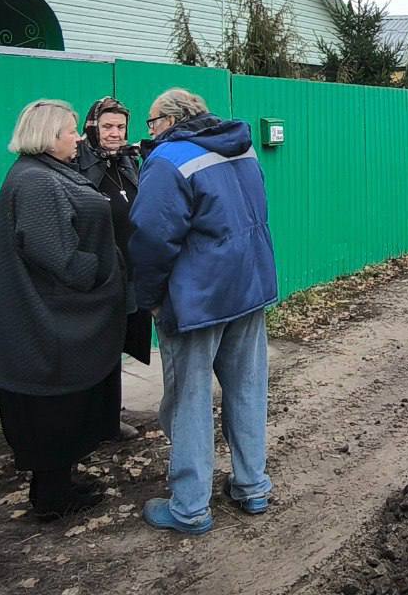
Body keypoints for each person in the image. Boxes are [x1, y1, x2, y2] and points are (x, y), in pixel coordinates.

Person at [129, 88, 278, 535]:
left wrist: (151, 297)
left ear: (171, 119)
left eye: (152, 121)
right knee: (248, 389)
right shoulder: (243, 148)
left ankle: (190, 507)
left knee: (189, 400)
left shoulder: (169, 160)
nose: (149, 131)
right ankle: (252, 486)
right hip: (248, 287)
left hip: (198, 299)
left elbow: (152, 237)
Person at [0, 100, 126, 522]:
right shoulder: (36, 182)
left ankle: (61, 482)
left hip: (51, 311)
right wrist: (97, 271)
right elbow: (55, 254)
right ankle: (52, 495)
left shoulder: (46, 172)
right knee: (53, 408)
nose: (79, 136)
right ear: (48, 136)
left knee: (65, 406)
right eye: (71, 130)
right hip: (47, 318)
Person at [75, 97, 153, 441]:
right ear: (93, 127)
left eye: (120, 127)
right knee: (95, 347)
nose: (115, 133)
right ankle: (89, 420)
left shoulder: (126, 163)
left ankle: (109, 416)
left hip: (129, 270)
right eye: (107, 126)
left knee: (117, 343)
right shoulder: (78, 165)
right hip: (97, 274)